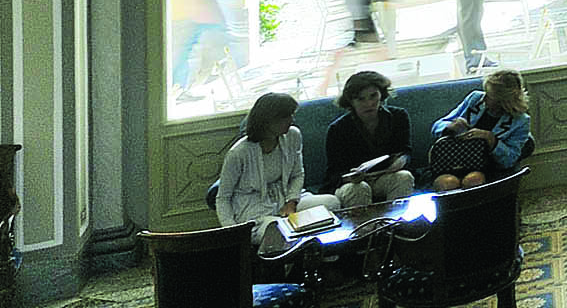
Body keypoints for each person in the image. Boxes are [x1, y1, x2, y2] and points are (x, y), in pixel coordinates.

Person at [212, 91, 320, 231]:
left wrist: (291, 202)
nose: (291, 120)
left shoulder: (294, 135)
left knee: (331, 203)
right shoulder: (238, 153)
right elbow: (223, 198)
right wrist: (232, 230)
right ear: (267, 120)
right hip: (254, 208)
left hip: (286, 199)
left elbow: (297, 175)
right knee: (277, 229)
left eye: (291, 115)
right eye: (285, 117)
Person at [318, 68, 417, 202]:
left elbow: (405, 150)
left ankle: (396, 222)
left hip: (385, 176)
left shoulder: (398, 116)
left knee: (404, 177)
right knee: (359, 188)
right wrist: (349, 177)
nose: (369, 104)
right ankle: (365, 224)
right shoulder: (338, 128)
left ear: (381, 95)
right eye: (361, 99)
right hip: (350, 184)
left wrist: (401, 160)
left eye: (373, 96)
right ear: (351, 101)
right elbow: (333, 173)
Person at [429, 66, 531, 189]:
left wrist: (491, 140)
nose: (484, 99)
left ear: (503, 101)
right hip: (451, 160)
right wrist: (450, 126)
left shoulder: (520, 121)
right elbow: (436, 126)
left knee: (473, 180)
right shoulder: (475, 98)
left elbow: (510, 159)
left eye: (490, 97)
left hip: (485, 166)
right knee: (447, 183)